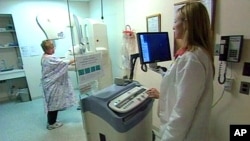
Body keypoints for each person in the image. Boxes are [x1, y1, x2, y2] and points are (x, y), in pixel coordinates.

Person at [146, 2, 214, 141]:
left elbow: (182, 113)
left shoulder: (191, 60)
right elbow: (183, 91)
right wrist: (162, 95)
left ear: (187, 24)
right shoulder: (198, 54)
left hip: (182, 136)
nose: (173, 26)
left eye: (175, 21)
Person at [40, 39, 77, 130]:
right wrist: (77, 59)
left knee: (53, 103)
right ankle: (51, 123)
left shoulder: (44, 56)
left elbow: (58, 65)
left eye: (53, 47)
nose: (53, 50)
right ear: (46, 49)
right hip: (52, 84)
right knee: (53, 104)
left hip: (49, 83)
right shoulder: (50, 58)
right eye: (51, 48)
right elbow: (63, 63)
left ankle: (52, 121)